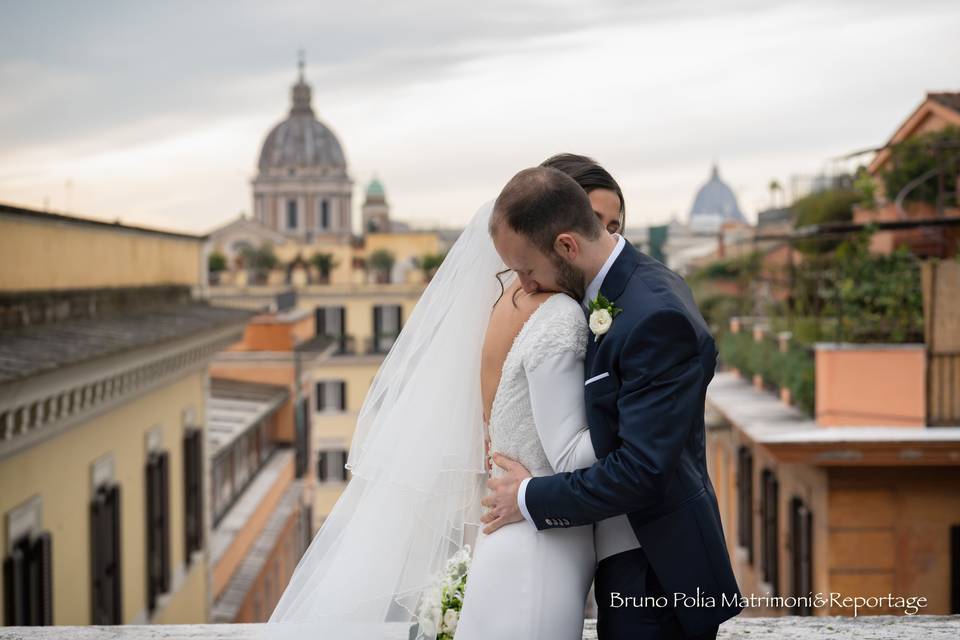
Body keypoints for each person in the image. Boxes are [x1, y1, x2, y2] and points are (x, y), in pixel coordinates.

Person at [479, 167, 743, 639]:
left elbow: (641, 471)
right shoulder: (604, 293)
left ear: (566, 246)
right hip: (616, 556)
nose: (527, 286)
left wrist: (528, 494)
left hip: (655, 573)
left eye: (526, 270)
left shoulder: (656, 315)